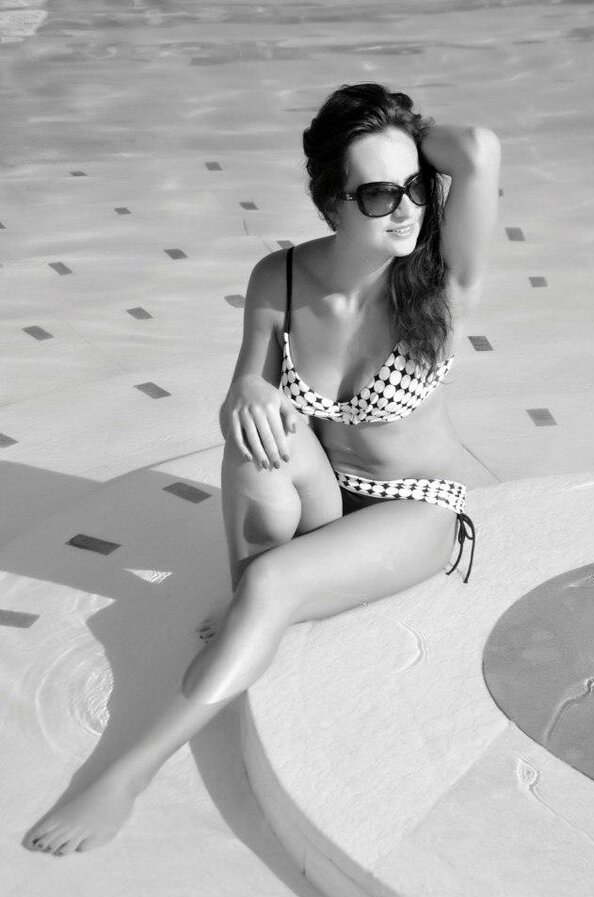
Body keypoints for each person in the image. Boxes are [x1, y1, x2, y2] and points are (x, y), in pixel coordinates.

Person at [24, 83, 500, 856]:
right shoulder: (280, 276)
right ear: (332, 201)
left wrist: (397, 131)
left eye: (415, 186)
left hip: (413, 507)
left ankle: (127, 773)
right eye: (379, 194)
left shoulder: (443, 286)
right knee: (260, 425)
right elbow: (238, 415)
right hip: (322, 494)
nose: (407, 210)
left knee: (272, 586)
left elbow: (477, 149)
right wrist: (247, 388)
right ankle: (259, 605)